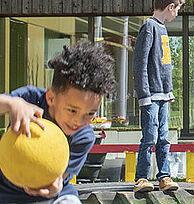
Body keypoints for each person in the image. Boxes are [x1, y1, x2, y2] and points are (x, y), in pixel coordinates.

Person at [0, 41, 116, 204]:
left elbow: (61, 177)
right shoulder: (30, 99)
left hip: (53, 197)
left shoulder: (84, 137)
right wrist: (11, 104)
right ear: (51, 97)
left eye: (90, 113)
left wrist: (56, 186)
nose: (79, 121)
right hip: (5, 190)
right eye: (72, 110)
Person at [133, 0, 185, 193]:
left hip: (163, 95)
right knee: (150, 137)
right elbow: (140, 63)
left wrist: (169, 90)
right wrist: (144, 94)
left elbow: (164, 65)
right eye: (178, 9)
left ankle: (164, 176)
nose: (178, 13)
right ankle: (142, 178)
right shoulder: (149, 27)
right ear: (171, 7)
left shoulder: (162, 28)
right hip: (151, 96)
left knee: (163, 137)